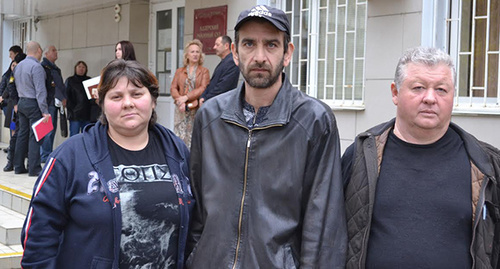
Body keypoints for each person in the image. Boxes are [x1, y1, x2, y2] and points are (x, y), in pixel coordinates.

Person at [187, 5, 346, 268]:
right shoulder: (210, 117)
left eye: (271, 45)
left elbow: (323, 224)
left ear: (287, 53)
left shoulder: (314, 120)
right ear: (235, 53)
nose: (260, 56)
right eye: (249, 44)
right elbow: (197, 209)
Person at [21, 59, 194, 269]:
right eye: (116, 96)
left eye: (137, 94)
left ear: (153, 100)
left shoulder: (177, 150)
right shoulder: (70, 156)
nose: (128, 103)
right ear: (102, 104)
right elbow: (38, 237)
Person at [342, 47, 500, 268]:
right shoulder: (361, 155)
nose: (430, 98)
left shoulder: (486, 165)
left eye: (441, 90)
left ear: (453, 95)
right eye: (418, 88)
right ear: (395, 93)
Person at [13, 41, 50, 177]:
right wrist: (45, 111)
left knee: (22, 134)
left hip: (22, 102)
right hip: (33, 103)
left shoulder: (18, 66)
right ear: (39, 50)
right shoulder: (37, 67)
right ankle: (34, 168)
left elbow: (15, 86)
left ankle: (18, 166)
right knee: (35, 136)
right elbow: (40, 91)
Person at [170, 39, 209, 147]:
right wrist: (180, 101)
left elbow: (203, 88)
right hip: (181, 109)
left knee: (192, 138)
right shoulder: (179, 71)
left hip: (194, 109)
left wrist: (186, 97)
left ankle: (191, 161)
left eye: (197, 52)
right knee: (179, 137)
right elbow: (173, 88)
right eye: (192, 52)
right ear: (187, 55)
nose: (195, 54)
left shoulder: (204, 71)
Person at [40, 45, 67, 163]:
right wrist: (61, 97)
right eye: (53, 50)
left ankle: (47, 153)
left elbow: (60, 85)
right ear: (46, 54)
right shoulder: (44, 67)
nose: (56, 52)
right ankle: (44, 155)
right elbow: (51, 86)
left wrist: (63, 97)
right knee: (47, 130)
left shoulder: (55, 68)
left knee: (53, 129)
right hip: (49, 102)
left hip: (55, 103)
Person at [2, 53, 26, 172]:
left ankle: (17, 161)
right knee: (14, 133)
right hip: (13, 110)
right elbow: (8, 89)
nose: (14, 67)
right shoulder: (10, 76)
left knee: (18, 135)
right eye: (12, 65)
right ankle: (10, 161)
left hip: (20, 107)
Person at [199, 35, 239, 105]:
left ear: (226, 46)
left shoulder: (231, 62)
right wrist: (203, 97)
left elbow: (222, 87)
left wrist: (206, 99)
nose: (214, 47)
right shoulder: (225, 61)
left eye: (217, 45)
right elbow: (212, 83)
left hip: (221, 105)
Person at [65, 60, 92, 136]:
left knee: (87, 136)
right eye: (79, 67)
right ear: (75, 68)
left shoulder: (89, 80)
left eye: (83, 67)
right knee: (74, 136)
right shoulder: (70, 81)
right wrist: (71, 109)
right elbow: (66, 96)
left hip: (87, 114)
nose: (81, 69)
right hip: (74, 115)